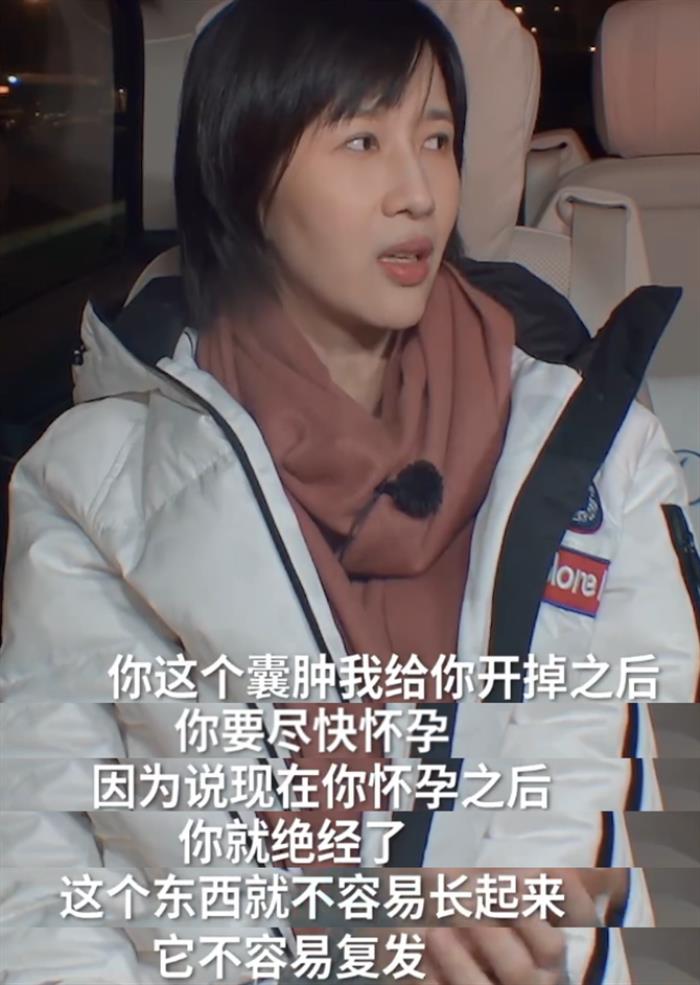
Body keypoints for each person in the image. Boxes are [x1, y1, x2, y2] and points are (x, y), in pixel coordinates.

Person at [1, 1, 698, 983]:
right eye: (363, 141)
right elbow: (45, 844)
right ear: (245, 173)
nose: (417, 192)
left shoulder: (595, 450)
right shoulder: (92, 480)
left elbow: (649, 796)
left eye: (437, 140)